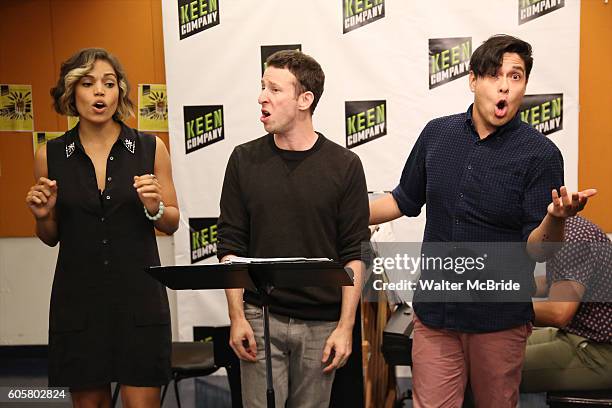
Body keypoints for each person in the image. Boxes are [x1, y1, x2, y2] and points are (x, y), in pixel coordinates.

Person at [369, 35, 596, 407]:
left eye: (516, 76)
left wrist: (555, 218)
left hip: (499, 321)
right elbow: (401, 200)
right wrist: (336, 212)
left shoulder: (541, 155)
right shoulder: (437, 134)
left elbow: (538, 248)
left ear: (524, 85)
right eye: (493, 75)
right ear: (473, 80)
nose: (505, 85)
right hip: (436, 317)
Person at [25, 48, 179, 407]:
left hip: (139, 302)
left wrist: (155, 208)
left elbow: (171, 222)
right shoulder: (49, 154)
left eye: (109, 84)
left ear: (119, 92)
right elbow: (50, 237)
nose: (100, 93)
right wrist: (43, 215)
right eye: (89, 83)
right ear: (71, 92)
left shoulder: (149, 147)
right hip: (78, 304)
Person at [217, 50, 370, 408]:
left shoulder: (345, 165)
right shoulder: (243, 159)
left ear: (305, 100)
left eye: (274, 89)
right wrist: (236, 317)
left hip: (322, 324)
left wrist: (346, 327)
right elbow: (230, 246)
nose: (261, 97)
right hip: (260, 318)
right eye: (261, 87)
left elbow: (354, 253)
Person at [521, 215, 612, 392]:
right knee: (496, 344)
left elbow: (559, 313)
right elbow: (553, 283)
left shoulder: (574, 240)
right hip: (578, 333)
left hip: (599, 350)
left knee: (485, 366)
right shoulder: (562, 229)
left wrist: (501, 309)